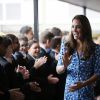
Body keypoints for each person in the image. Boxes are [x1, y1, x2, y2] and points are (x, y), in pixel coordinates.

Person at [56, 15, 100, 100]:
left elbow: (98, 72)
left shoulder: (96, 48)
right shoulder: (66, 45)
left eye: (78, 27)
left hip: (86, 93)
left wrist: (84, 83)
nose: (74, 30)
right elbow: (58, 70)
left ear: (85, 28)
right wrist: (64, 66)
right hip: (69, 93)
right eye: (73, 26)